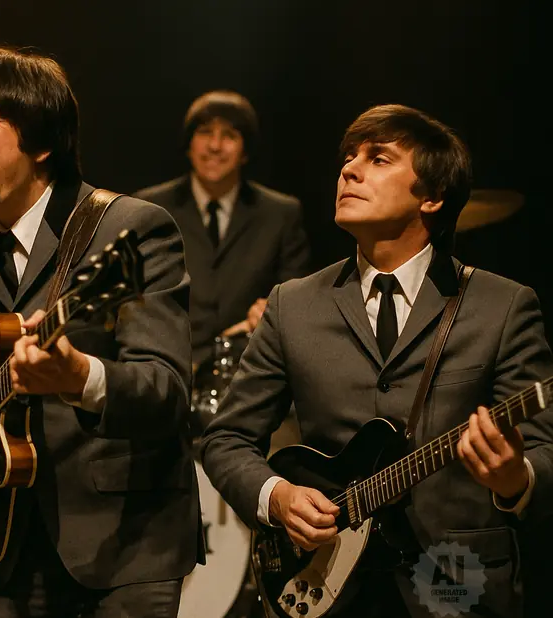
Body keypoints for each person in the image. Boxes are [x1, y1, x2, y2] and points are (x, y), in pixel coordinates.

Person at [199, 103, 553, 617]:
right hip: (328, 583)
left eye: (379, 159)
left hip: (457, 584)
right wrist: (277, 497)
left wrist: (514, 479)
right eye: (349, 157)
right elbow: (226, 439)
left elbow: (545, 448)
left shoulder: (503, 305)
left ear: (431, 197)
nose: (349, 169)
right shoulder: (292, 304)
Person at [0, 46, 202, 617]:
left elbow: (167, 391)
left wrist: (80, 378)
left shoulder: (130, 228)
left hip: (124, 550)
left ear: (42, 142)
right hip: (4, 543)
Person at [134, 90, 310, 369]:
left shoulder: (282, 213)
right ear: (189, 144)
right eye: (205, 132)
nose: (215, 146)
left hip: (248, 372)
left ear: (245, 152)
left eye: (229, 135)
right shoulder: (149, 208)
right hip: (167, 368)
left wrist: (273, 309)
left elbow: (298, 297)